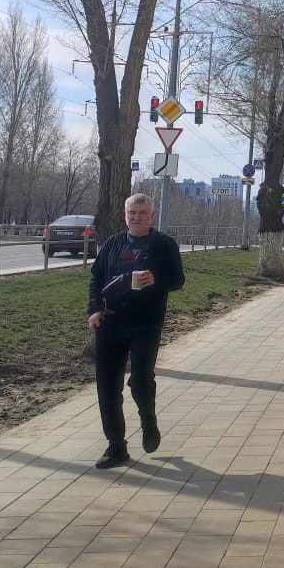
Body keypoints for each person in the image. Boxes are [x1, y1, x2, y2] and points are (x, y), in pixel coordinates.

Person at [87, 193, 184, 469]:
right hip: (111, 322)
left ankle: (148, 420)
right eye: (132, 213)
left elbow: (178, 280)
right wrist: (94, 310)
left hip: (146, 324)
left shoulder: (164, 245)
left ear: (151, 215)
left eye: (142, 213)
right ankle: (116, 446)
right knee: (107, 386)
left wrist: (155, 280)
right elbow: (96, 279)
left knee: (140, 380)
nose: (136, 217)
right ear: (125, 215)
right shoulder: (113, 243)